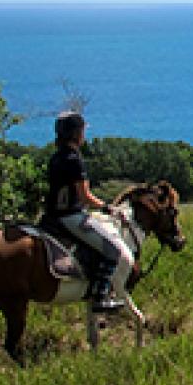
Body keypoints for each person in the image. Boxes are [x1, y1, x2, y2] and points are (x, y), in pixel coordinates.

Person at [44, 111, 133, 312]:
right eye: (82, 131)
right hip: (71, 216)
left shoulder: (56, 157)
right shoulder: (74, 159)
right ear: (76, 133)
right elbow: (85, 197)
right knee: (113, 250)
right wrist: (107, 207)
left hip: (51, 217)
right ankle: (101, 296)